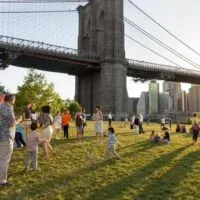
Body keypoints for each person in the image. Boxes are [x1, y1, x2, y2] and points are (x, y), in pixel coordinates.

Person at [0, 94, 20, 186]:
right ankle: (2, 181)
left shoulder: (0, 105)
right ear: (12, 100)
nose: (14, 101)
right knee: (4, 160)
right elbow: (11, 124)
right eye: (14, 99)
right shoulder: (8, 108)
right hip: (5, 137)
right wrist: (18, 120)